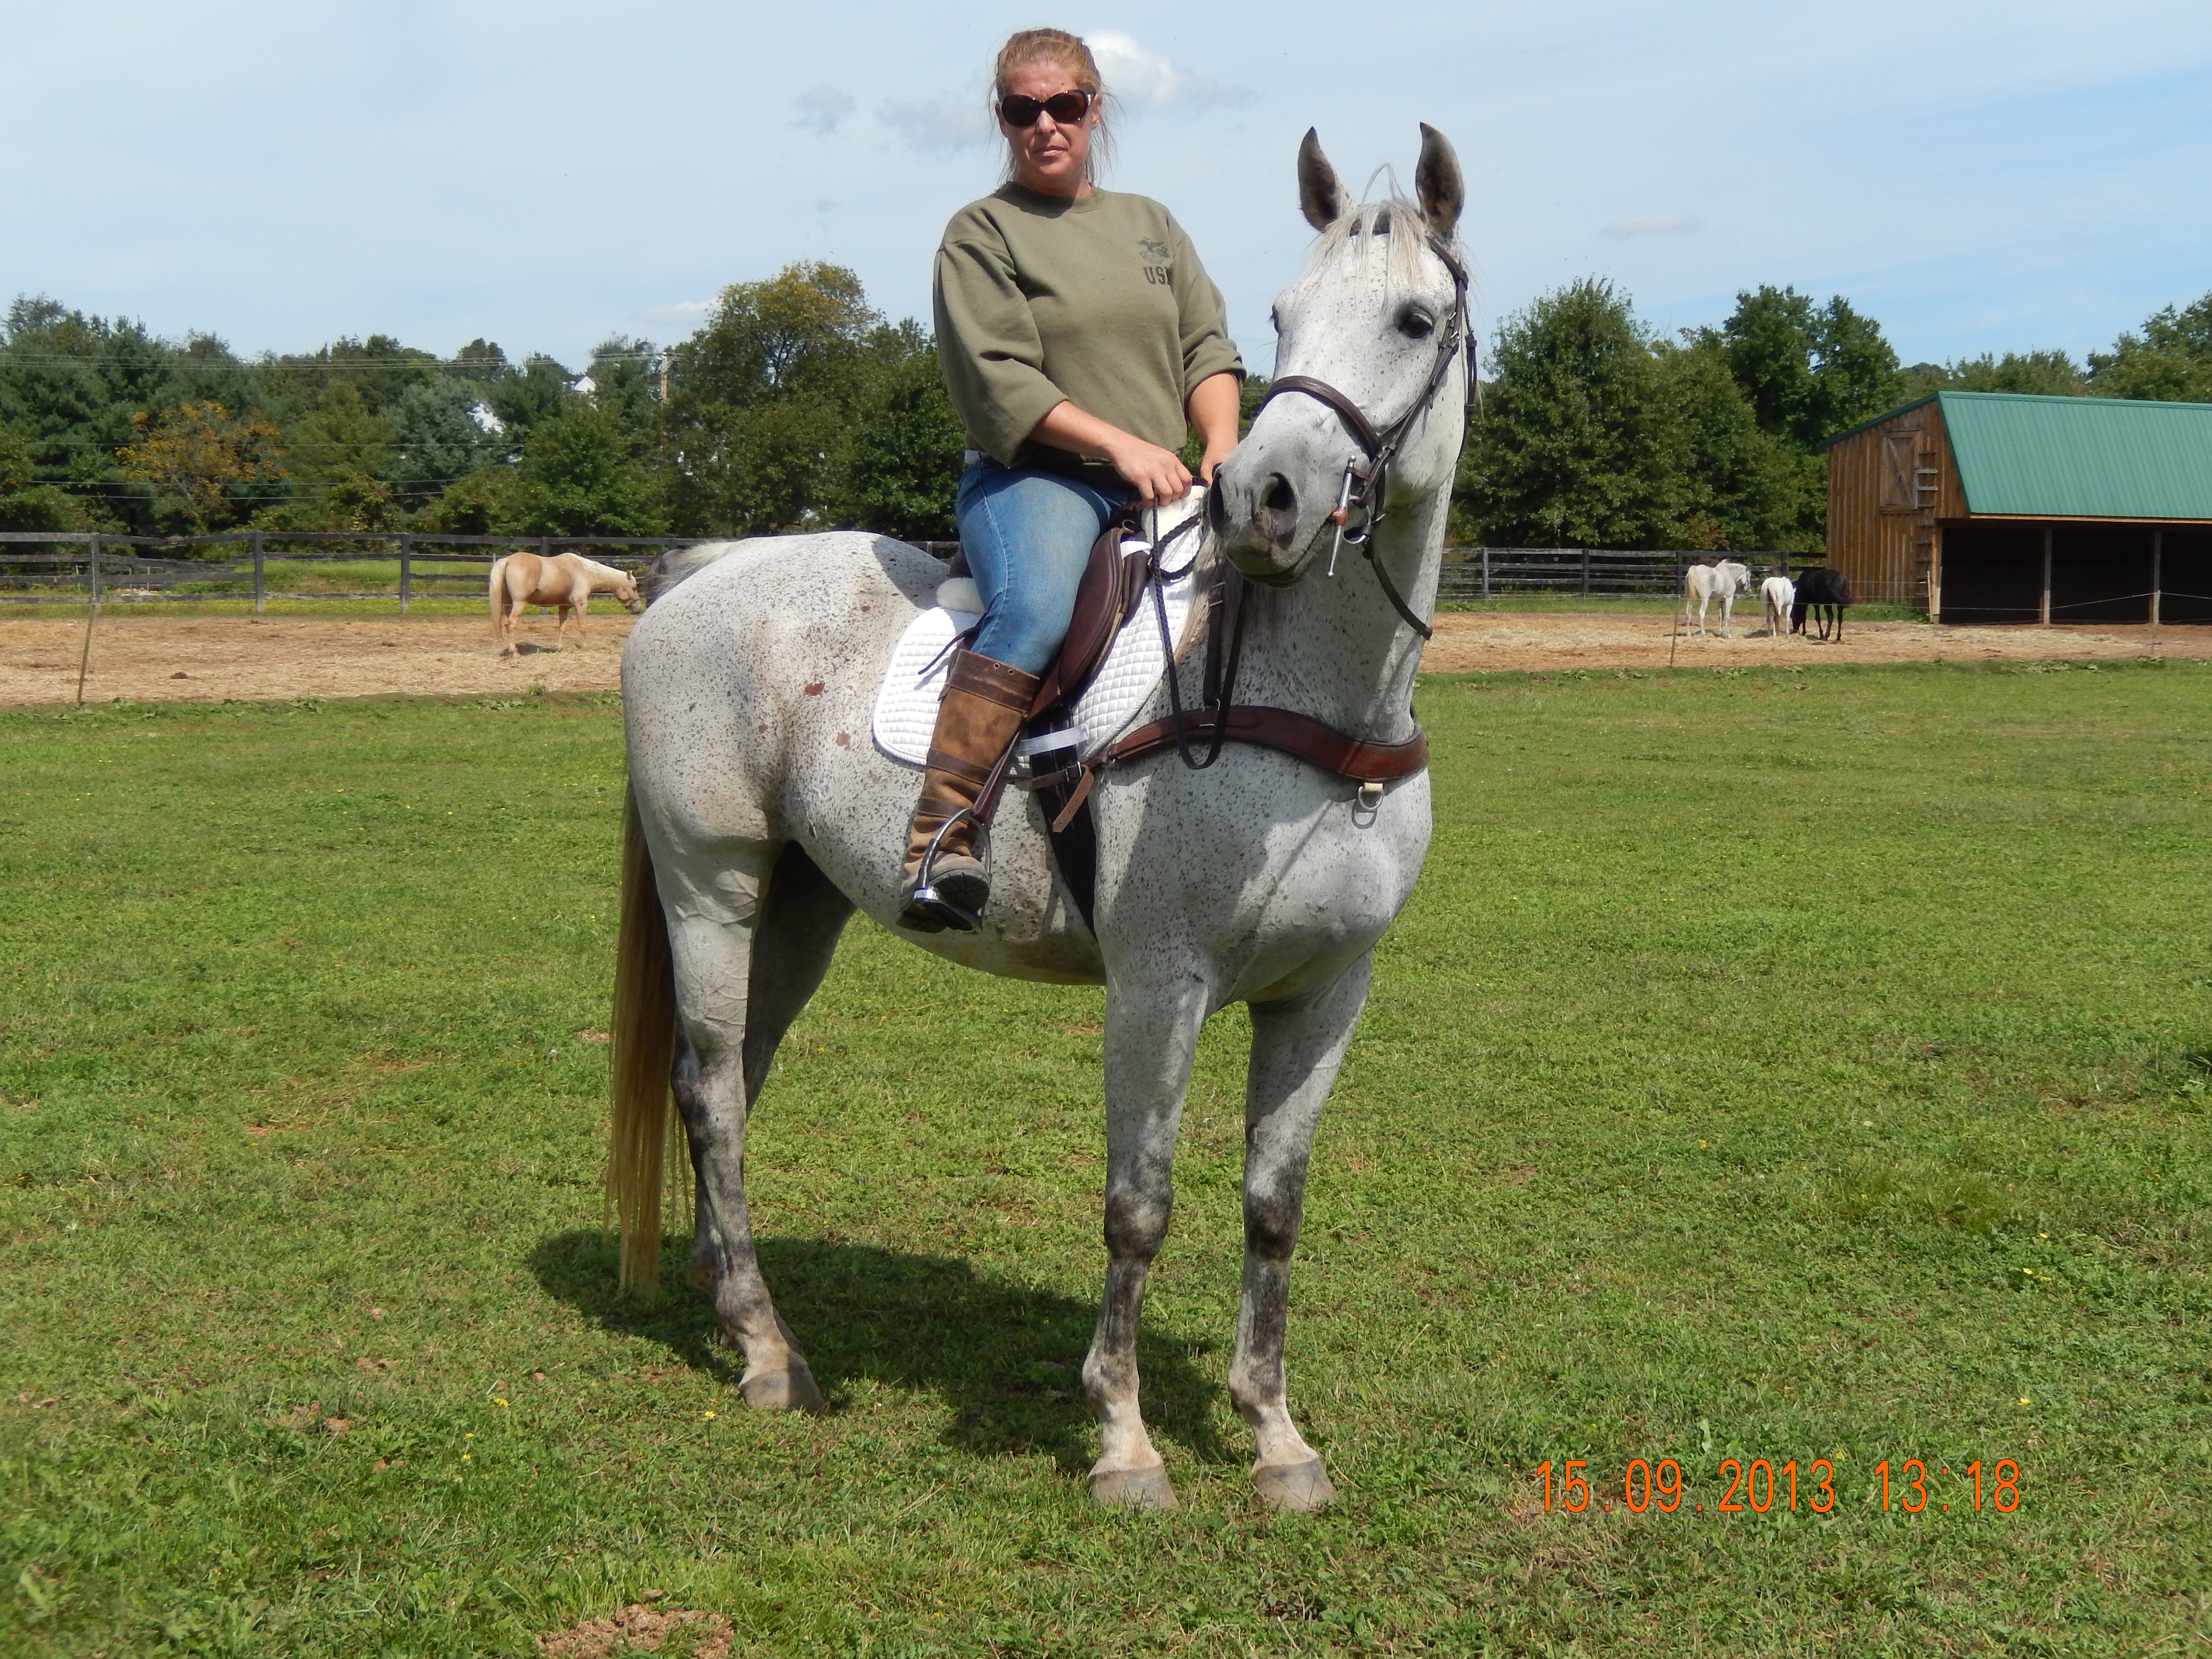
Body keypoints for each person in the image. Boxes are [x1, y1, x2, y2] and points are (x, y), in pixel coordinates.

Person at [899, 27, 1244, 934]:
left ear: (1096, 108)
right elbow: (1000, 378)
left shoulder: (1151, 225)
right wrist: (1124, 446)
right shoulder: (981, 234)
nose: (1045, 125)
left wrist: (1218, 446)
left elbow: (1207, 347)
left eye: (1066, 105)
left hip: (1167, 480)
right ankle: (942, 836)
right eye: (1024, 109)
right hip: (1035, 481)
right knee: (1039, 609)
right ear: (1002, 118)